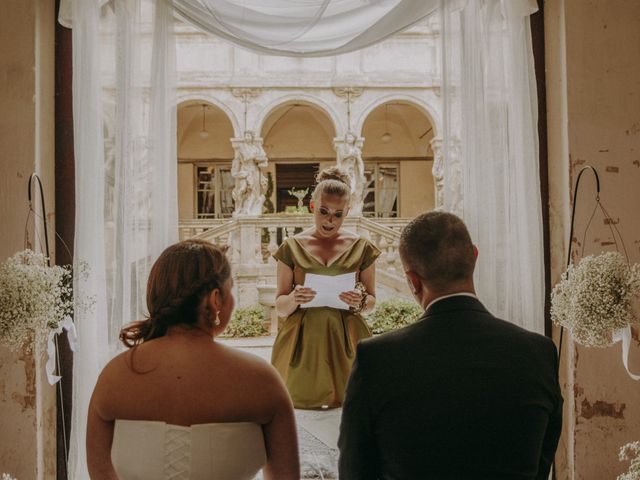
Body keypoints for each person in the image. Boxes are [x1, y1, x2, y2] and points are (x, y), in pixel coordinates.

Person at [338, 211, 562, 480]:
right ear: (474, 258)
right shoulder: (538, 353)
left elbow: (355, 471)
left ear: (412, 281)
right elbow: (541, 465)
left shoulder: (376, 359)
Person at [86, 240, 299, 480]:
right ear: (215, 299)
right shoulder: (262, 380)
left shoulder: (114, 376)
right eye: (231, 290)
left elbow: (100, 473)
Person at [271, 166, 381, 409]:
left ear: (347, 212)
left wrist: (360, 301)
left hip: (348, 345)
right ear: (312, 206)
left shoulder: (362, 247)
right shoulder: (291, 246)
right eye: (323, 211)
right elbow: (279, 307)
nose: (330, 220)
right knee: (301, 421)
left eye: (338, 214)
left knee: (351, 416)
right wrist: (294, 298)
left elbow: (372, 301)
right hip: (301, 348)